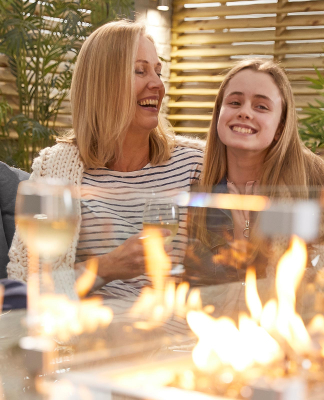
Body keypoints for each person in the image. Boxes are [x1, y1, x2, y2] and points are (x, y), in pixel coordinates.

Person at [7, 20, 204, 300]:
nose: (157, 84)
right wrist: (107, 267)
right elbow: (27, 286)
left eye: (158, 72)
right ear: (103, 83)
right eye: (140, 71)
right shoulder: (53, 170)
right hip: (89, 338)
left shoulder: (194, 163)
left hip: (176, 338)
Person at [184, 59, 324, 294]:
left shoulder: (323, 187)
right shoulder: (198, 183)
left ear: (281, 128)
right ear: (218, 115)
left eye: (261, 107)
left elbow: (322, 293)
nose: (244, 112)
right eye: (234, 102)